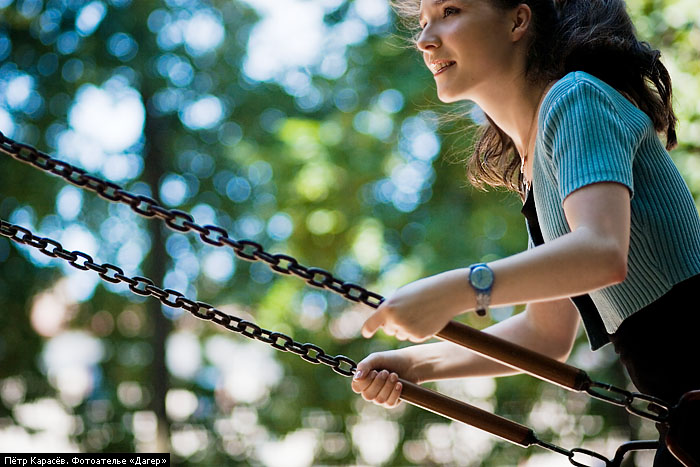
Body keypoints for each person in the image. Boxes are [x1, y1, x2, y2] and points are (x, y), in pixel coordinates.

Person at [350, 1, 700, 465]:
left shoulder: (575, 98)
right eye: (423, 22)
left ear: (518, 19)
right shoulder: (538, 159)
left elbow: (601, 253)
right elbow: (546, 333)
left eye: (450, 11)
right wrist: (417, 364)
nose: (425, 39)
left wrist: (458, 291)